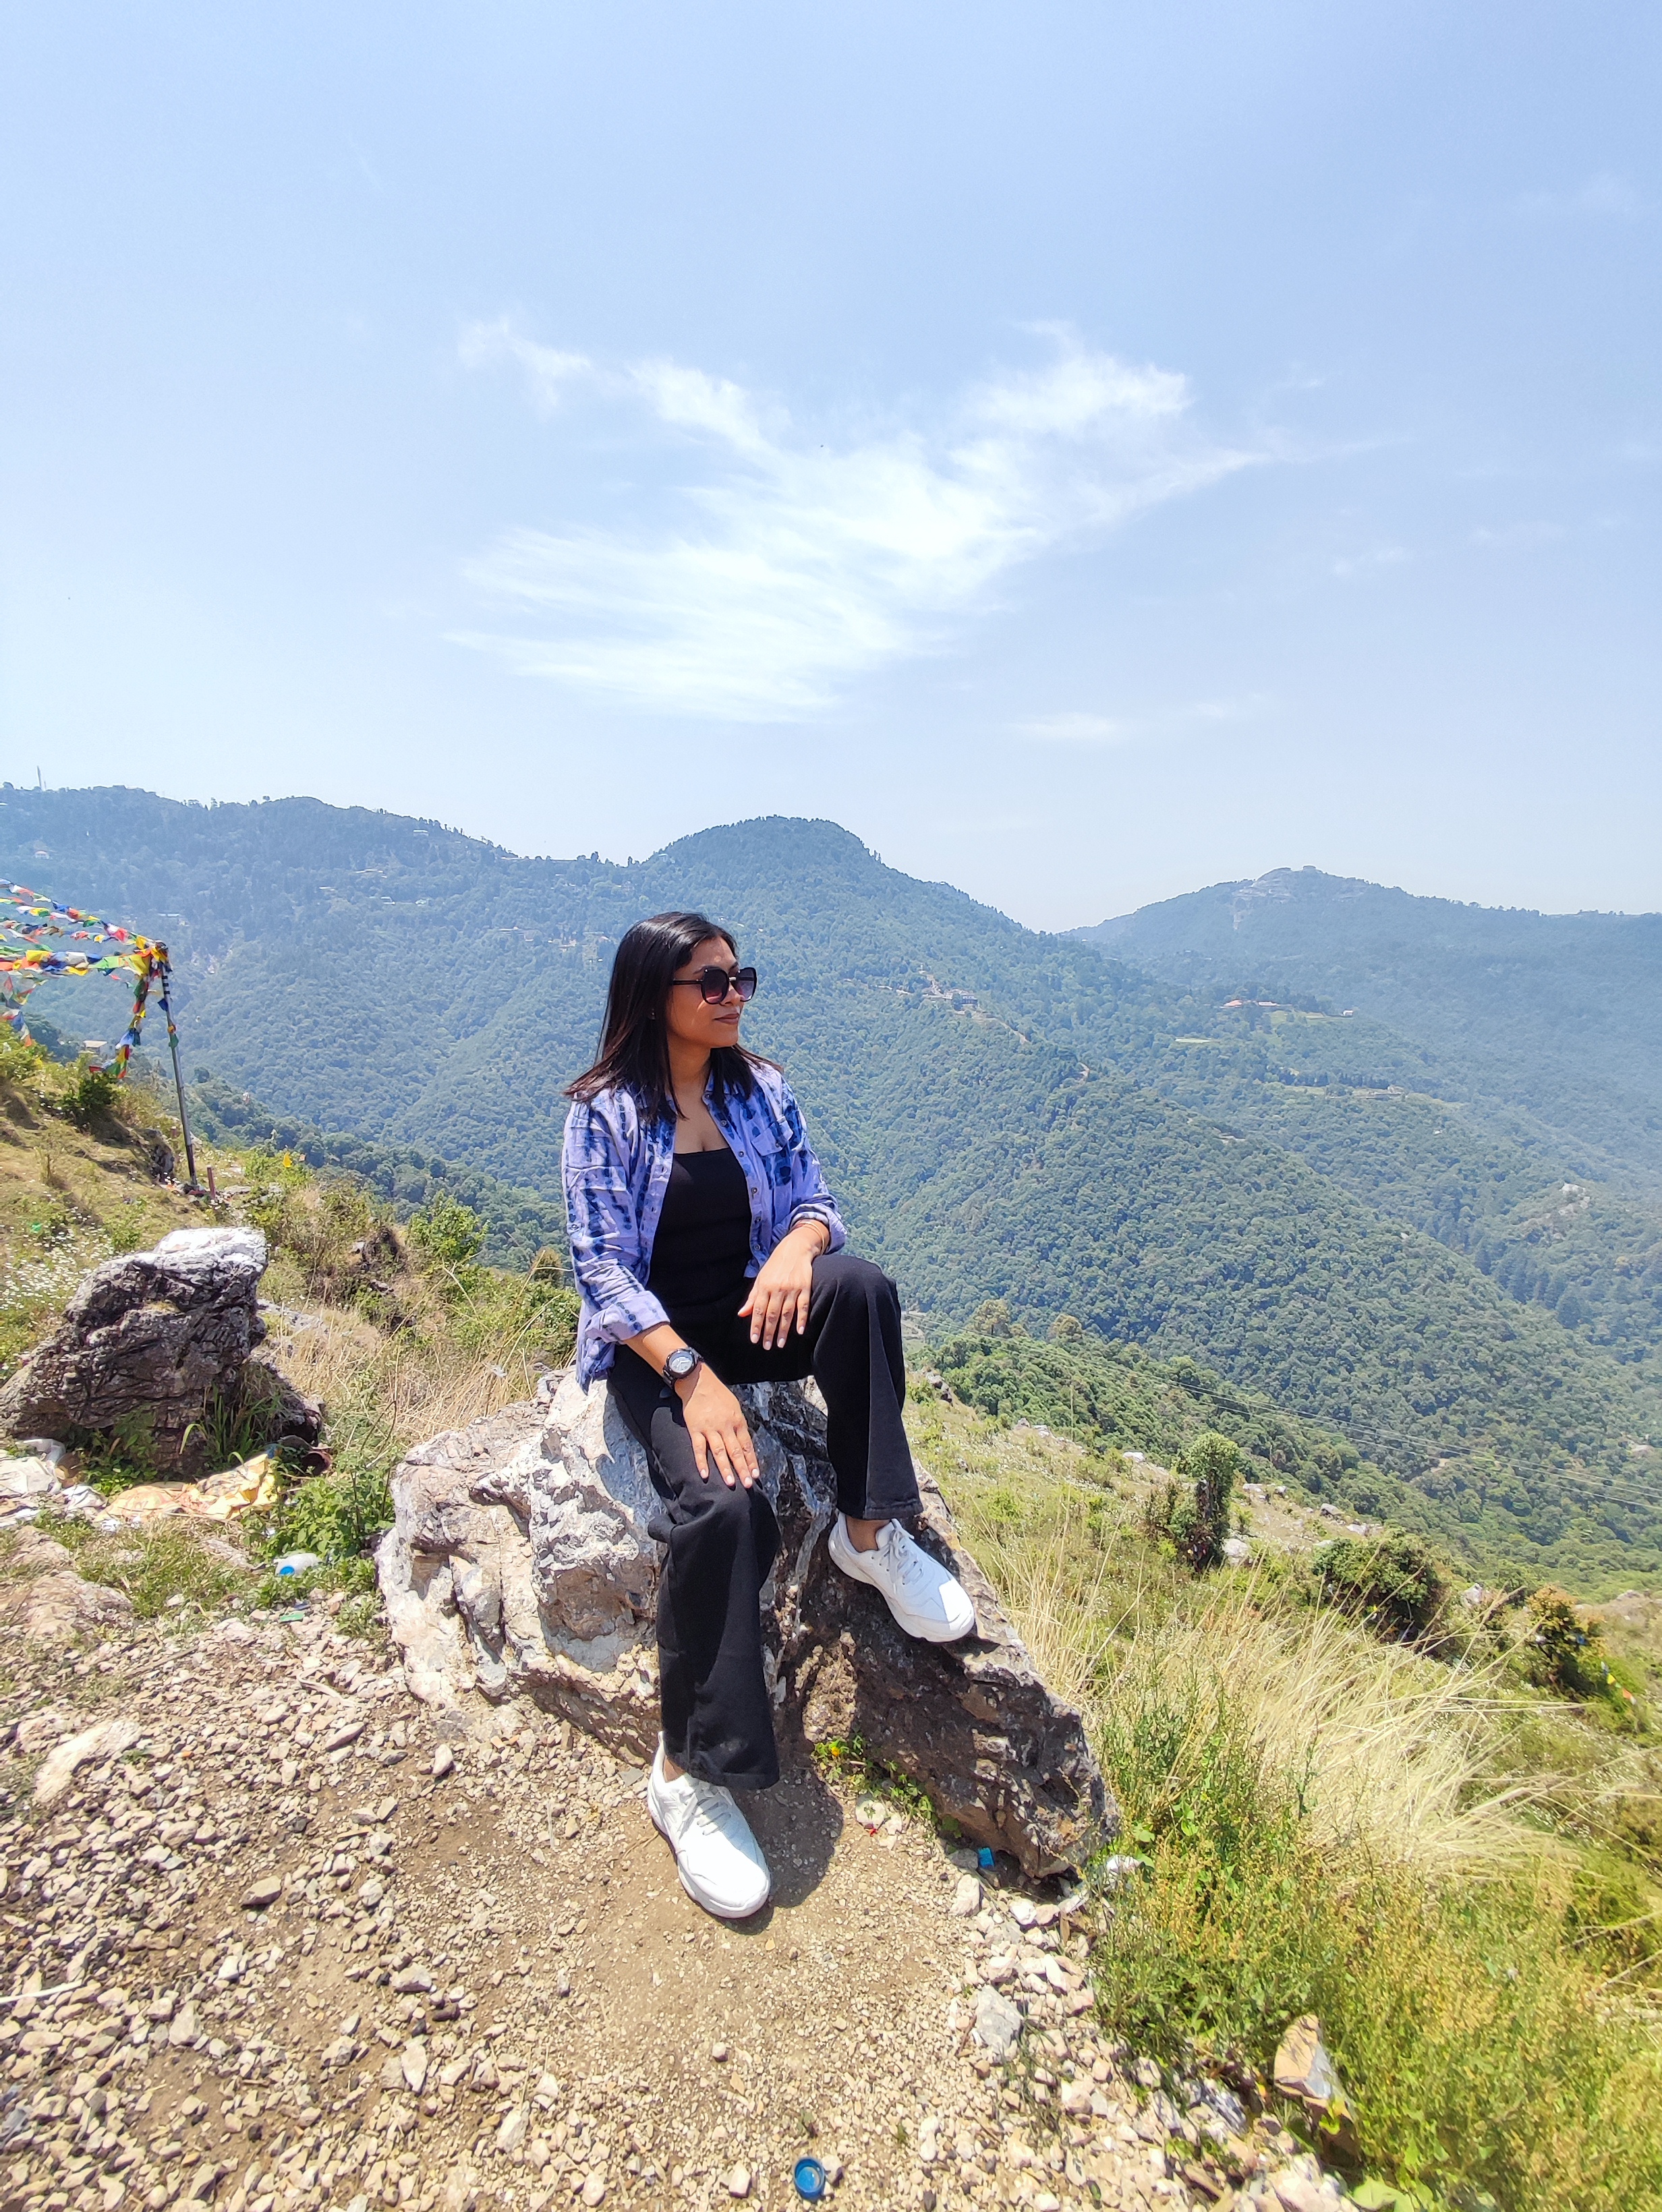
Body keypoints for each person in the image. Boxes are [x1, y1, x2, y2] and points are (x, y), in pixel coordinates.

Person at [562, 910, 975, 1920]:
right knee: (725, 1507)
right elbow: (602, 1270)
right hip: (659, 1346)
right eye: (710, 982)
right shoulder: (604, 1114)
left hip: (755, 1309)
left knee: (862, 1289)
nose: (733, 995)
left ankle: (867, 1536)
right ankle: (686, 1772)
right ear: (653, 996)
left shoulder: (760, 1089)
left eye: (740, 977)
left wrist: (800, 1245)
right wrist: (691, 1377)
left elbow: (816, 1202)